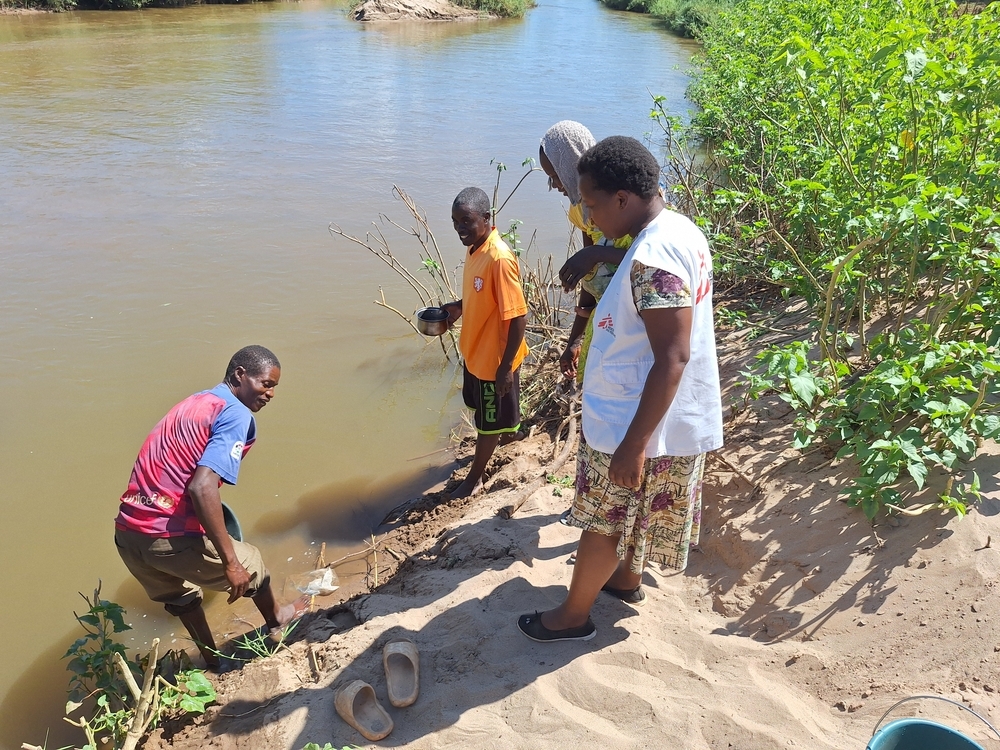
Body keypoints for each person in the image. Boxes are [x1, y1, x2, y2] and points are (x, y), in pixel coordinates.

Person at [517, 136, 723, 642]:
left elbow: (671, 355)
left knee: (604, 521)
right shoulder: (677, 229)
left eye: (591, 203)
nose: (588, 214)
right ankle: (626, 582)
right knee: (637, 509)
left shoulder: (654, 257)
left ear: (623, 200)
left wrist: (633, 445)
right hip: (660, 418)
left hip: (639, 424)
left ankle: (571, 617)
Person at [113, 345, 306, 669]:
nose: (271, 393)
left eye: (274, 386)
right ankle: (276, 622)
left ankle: (213, 662)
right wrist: (232, 563)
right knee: (253, 565)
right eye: (266, 383)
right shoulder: (236, 413)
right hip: (166, 535)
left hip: (128, 533)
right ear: (239, 375)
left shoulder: (195, 403)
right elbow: (201, 486)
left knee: (182, 598)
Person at [442, 187, 530, 499]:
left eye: (466, 221)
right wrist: (458, 307)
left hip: (494, 361)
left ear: (487, 218)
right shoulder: (475, 250)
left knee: (487, 424)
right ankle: (512, 433)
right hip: (476, 353)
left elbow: (518, 316)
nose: (459, 229)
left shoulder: (499, 258)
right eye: (455, 222)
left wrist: (505, 368)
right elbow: (481, 297)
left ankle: (474, 478)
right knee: (487, 411)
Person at [538, 120, 632, 382]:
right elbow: (591, 277)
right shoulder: (581, 212)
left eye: (555, 175)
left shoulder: (624, 199)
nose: (554, 184)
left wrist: (594, 255)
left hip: (638, 315)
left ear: (571, 164)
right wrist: (574, 339)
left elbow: (648, 259)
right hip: (608, 312)